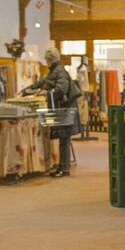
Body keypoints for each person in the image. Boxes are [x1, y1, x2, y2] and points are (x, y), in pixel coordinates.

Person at [22, 48, 77, 177]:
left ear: (49, 60)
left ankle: (64, 169)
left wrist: (46, 92)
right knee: (63, 138)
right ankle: (62, 167)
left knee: (64, 139)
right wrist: (27, 90)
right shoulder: (56, 71)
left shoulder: (59, 71)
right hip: (62, 108)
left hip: (64, 108)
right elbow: (42, 82)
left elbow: (61, 89)